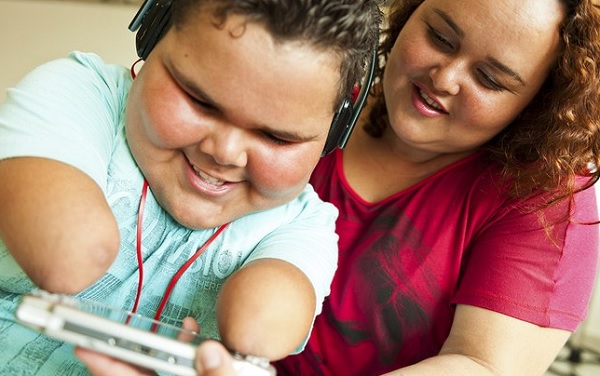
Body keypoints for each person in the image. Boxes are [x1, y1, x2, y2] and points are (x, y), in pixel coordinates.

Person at [79, 0, 600, 375]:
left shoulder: (548, 197)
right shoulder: (314, 97)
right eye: (440, 37)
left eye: (490, 79)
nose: (444, 78)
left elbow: (483, 366)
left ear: (537, 104)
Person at [0, 0, 382, 374]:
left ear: (334, 132)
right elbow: (67, 258)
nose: (225, 152)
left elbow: (258, 330)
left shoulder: (304, 224)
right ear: (151, 38)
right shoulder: (79, 92)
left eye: (277, 137)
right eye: (200, 101)